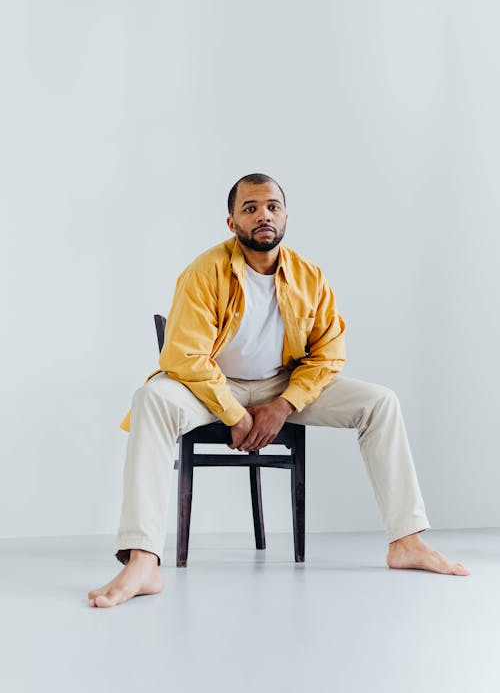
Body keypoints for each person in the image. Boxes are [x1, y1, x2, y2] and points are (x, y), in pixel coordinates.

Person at [88, 173, 470, 608]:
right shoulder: (203, 271)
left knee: (380, 402)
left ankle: (407, 541)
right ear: (232, 223)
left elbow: (328, 353)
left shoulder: (309, 276)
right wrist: (234, 413)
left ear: (285, 216)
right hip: (212, 384)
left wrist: (284, 405)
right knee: (150, 400)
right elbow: (183, 357)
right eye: (250, 208)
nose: (263, 215)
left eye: (272, 206)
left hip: (282, 385)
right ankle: (142, 560)